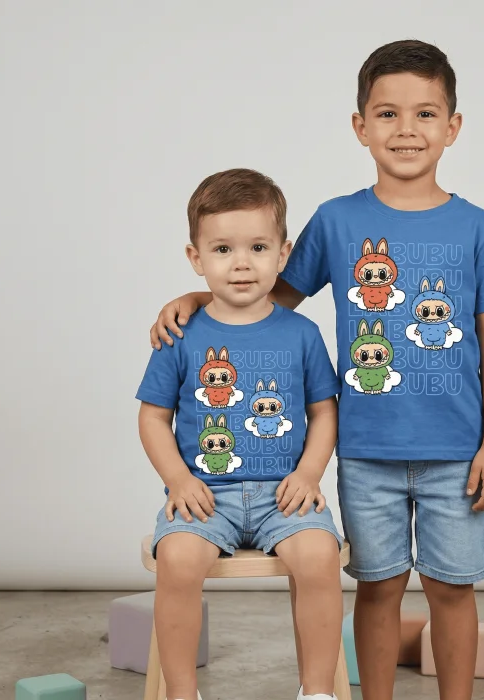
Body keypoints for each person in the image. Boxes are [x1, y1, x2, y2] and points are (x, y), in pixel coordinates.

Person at [149, 40, 484, 700]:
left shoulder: (478, 228)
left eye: (425, 113)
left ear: (453, 127)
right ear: (360, 126)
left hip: (458, 451)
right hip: (366, 451)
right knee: (377, 587)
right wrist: (198, 299)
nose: (406, 129)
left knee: (451, 589)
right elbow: (266, 300)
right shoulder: (336, 220)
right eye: (387, 113)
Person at [137, 168, 343, 700]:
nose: (242, 262)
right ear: (196, 258)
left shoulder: (302, 333)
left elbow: (325, 411)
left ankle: (317, 691)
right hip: (206, 496)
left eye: (258, 247)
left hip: (284, 495)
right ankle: (182, 692)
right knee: (178, 560)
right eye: (223, 249)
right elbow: (153, 417)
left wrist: (309, 473)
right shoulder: (180, 334)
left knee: (320, 557)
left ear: (283, 253)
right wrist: (178, 480)